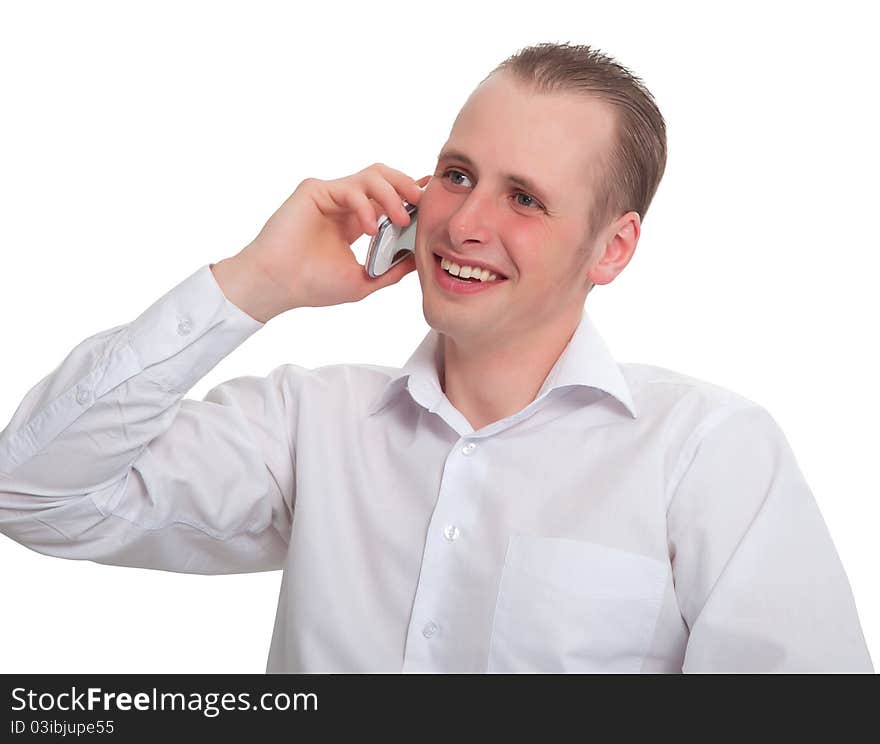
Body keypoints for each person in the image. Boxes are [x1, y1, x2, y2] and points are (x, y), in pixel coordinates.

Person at [0, 42, 873, 674]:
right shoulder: (313, 422)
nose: (465, 223)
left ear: (613, 249)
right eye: (458, 174)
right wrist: (255, 282)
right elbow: (33, 491)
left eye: (524, 197)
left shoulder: (707, 450)